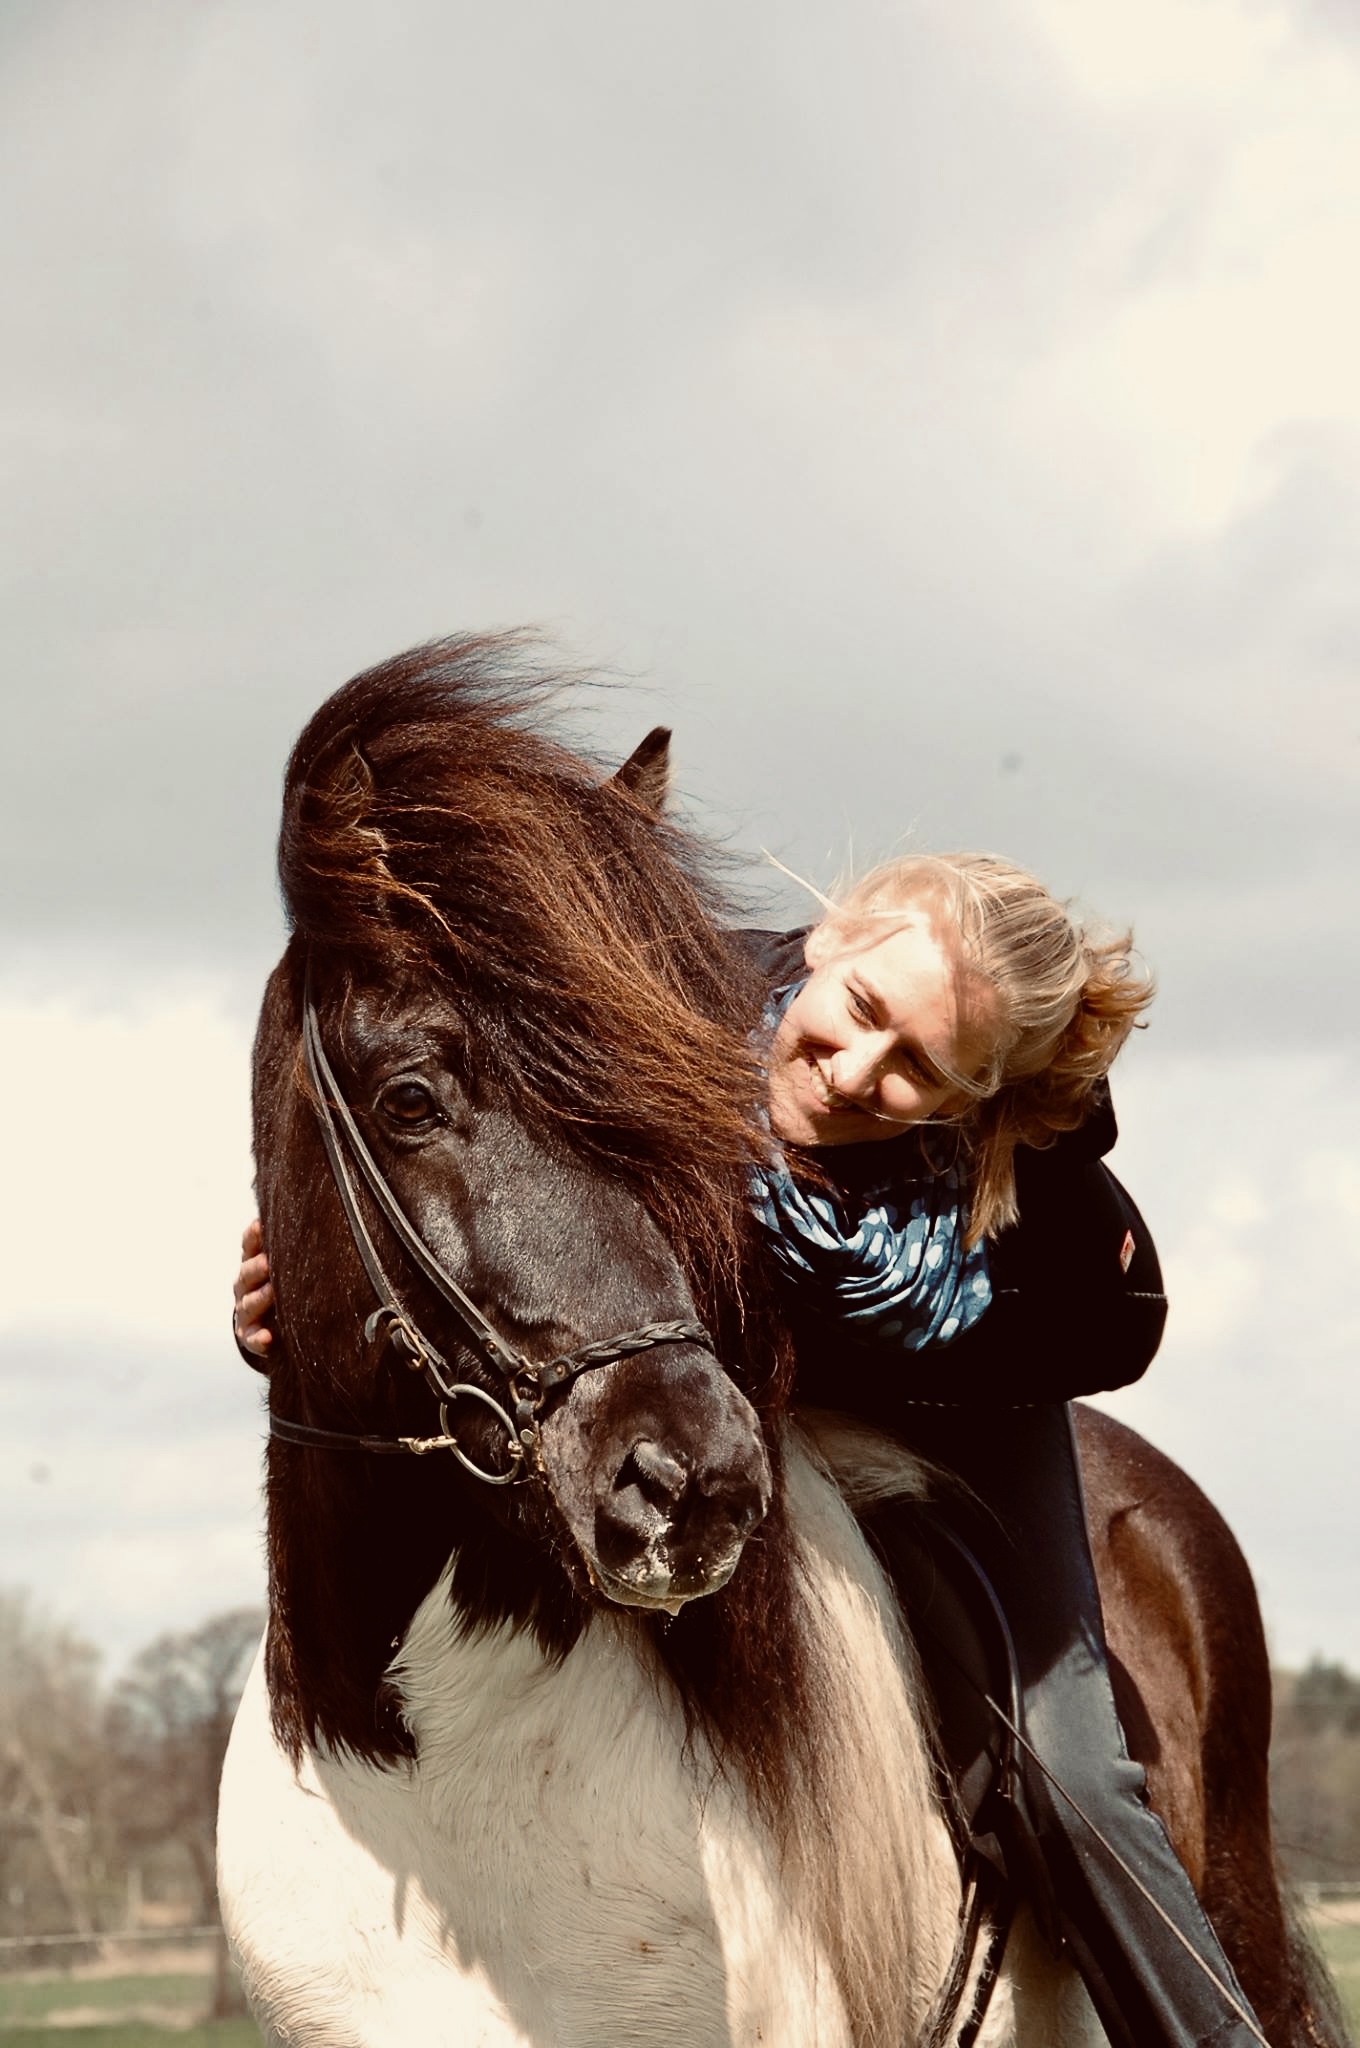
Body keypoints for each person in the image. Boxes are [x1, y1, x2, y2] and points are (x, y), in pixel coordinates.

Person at [233, 848, 1265, 2048]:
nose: (855, 1068)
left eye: (919, 1068)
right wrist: (306, 1300)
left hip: (961, 1406)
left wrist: (834, 1363)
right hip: (710, 1386)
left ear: (974, 1100)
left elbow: (1110, 1339)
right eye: (862, 1008)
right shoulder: (654, 1007)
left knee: (1071, 1775)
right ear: (832, 940)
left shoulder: (1060, 1232)